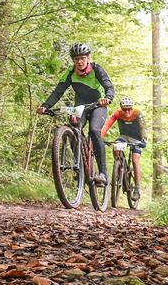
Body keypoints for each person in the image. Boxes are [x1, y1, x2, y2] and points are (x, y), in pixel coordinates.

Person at [37, 44, 115, 184]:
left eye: (83, 58)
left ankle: (103, 174)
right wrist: (45, 106)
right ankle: (80, 168)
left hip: (98, 105)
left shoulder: (96, 69)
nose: (80, 61)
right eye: (76, 59)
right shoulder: (70, 73)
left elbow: (108, 85)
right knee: (73, 129)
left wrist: (108, 98)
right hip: (80, 107)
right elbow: (58, 92)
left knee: (94, 131)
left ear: (88, 58)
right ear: (73, 60)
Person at [102, 96, 146, 192]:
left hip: (137, 140)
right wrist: (100, 137)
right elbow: (107, 124)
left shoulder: (137, 113)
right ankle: (118, 168)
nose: (127, 112)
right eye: (124, 109)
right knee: (116, 148)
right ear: (121, 108)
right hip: (124, 137)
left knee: (135, 160)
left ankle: (137, 189)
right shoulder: (117, 113)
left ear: (132, 108)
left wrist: (143, 139)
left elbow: (143, 126)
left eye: (129, 109)